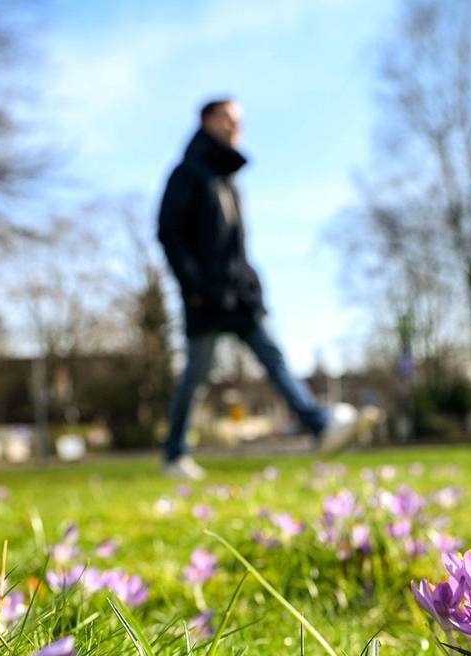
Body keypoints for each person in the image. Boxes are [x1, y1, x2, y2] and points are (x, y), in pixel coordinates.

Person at [157, 97, 372, 480]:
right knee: (197, 375)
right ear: (207, 121)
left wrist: (250, 283)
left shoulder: (227, 179)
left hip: (240, 295)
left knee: (274, 358)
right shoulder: (188, 174)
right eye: (227, 118)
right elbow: (169, 233)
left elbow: (235, 247)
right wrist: (195, 286)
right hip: (206, 297)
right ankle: (174, 454)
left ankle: (321, 426)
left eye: (238, 120)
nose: (235, 126)